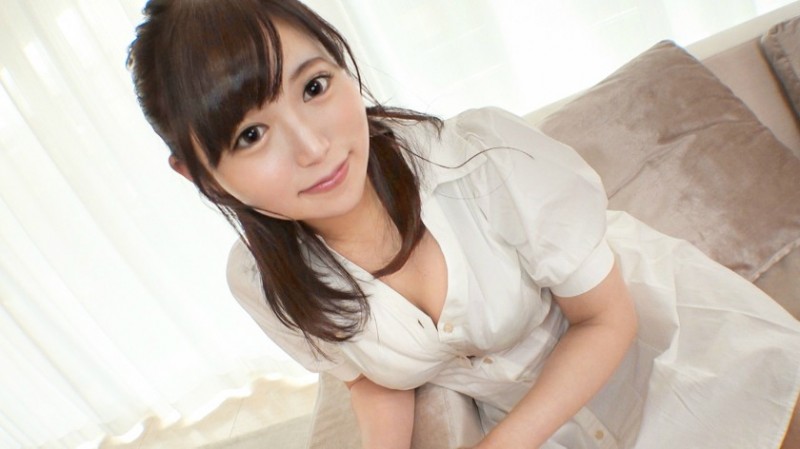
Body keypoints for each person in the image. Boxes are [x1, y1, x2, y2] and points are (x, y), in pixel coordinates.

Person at [127, 1, 800, 448]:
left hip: (672, 356)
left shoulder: (487, 162)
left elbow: (607, 319)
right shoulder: (262, 281)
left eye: (314, 86)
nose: (313, 146)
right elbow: (370, 376)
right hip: (543, 423)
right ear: (196, 173)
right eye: (251, 134)